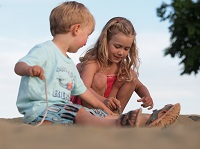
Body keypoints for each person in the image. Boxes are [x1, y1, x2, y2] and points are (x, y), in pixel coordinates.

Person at [15, 1, 180, 128]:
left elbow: (84, 92)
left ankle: (149, 119)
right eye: (87, 35)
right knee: (80, 112)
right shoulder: (45, 50)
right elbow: (19, 66)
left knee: (95, 113)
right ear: (76, 29)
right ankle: (118, 124)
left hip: (61, 112)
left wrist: (104, 108)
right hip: (40, 111)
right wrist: (29, 69)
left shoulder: (68, 63)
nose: (86, 40)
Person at [71, 17, 153, 114]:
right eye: (117, 47)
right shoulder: (92, 63)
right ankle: (95, 116)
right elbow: (84, 88)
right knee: (100, 78)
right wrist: (103, 101)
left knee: (131, 77)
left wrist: (147, 96)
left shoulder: (122, 67)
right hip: (85, 106)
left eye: (126, 49)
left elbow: (139, 86)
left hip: (108, 104)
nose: (121, 52)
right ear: (105, 42)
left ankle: (116, 116)